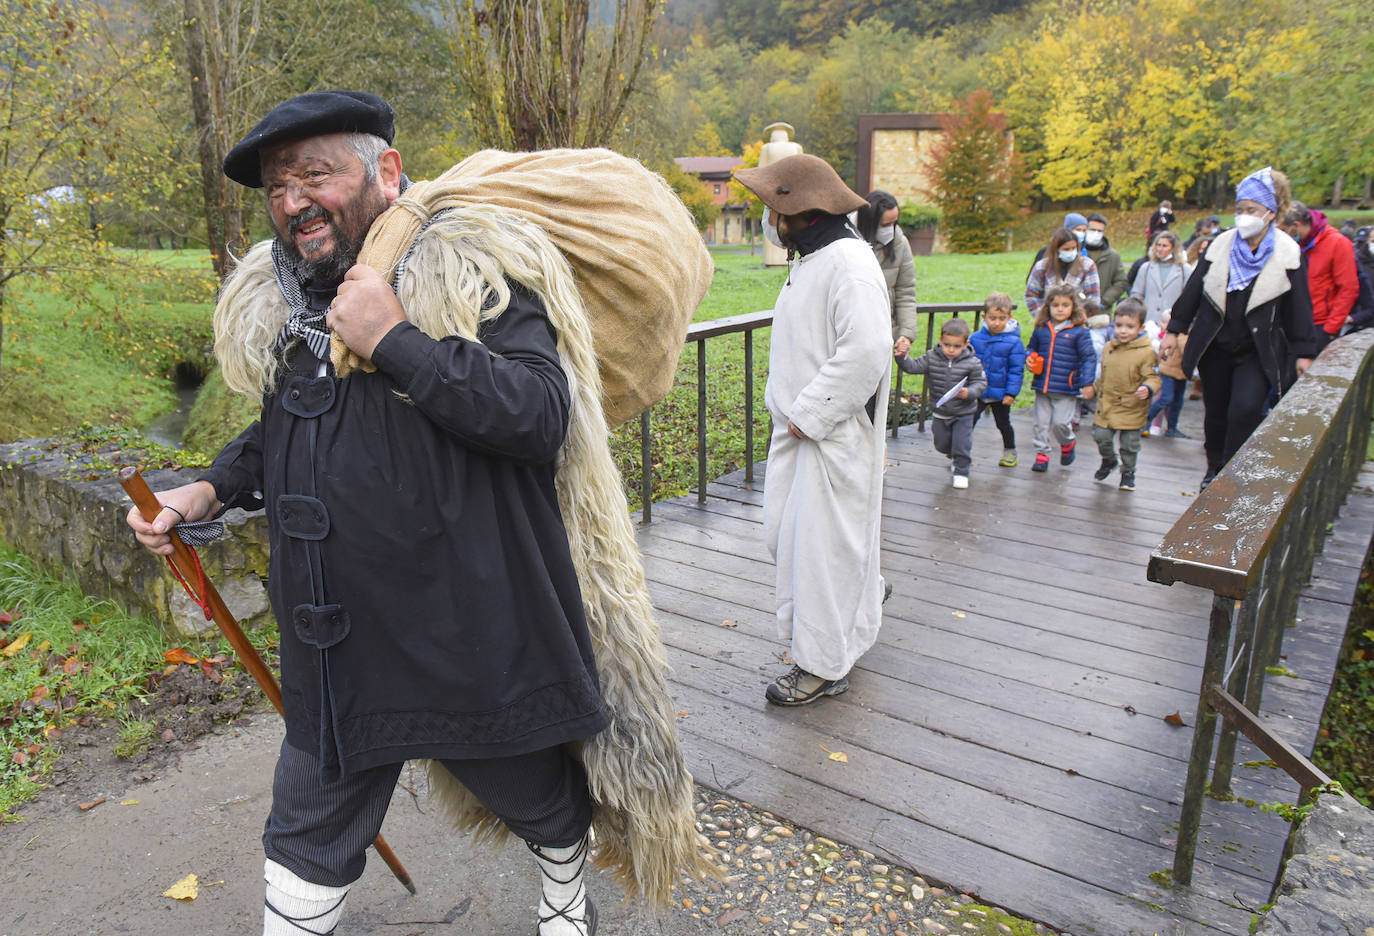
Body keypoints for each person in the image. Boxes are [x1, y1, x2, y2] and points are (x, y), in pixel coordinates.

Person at [125, 90, 705, 936]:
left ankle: (565, 898)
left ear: (386, 173)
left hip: (464, 629)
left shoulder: (474, 269)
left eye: (315, 175)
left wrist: (395, 338)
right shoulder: (296, 300)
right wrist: (210, 487)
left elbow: (540, 415)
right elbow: (291, 425)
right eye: (279, 188)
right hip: (335, 639)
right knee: (304, 832)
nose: (293, 202)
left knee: (534, 798)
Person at [732, 153, 891, 706]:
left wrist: (811, 414)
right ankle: (857, 612)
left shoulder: (849, 265)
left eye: (776, 211)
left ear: (804, 214)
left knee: (820, 556)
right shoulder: (818, 257)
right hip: (803, 433)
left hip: (829, 438)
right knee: (797, 542)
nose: (770, 221)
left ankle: (821, 665)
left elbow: (867, 350)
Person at [1161, 167, 1318, 490]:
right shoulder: (1221, 245)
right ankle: (1214, 465)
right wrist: (1174, 330)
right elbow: (1193, 291)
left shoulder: (1288, 253)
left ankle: (1230, 473)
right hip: (1216, 346)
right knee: (1216, 413)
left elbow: (1299, 306)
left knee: (1245, 410)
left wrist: (1304, 351)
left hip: (1257, 352)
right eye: (1240, 210)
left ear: (1270, 213)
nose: (1244, 216)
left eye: (1252, 210)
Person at [898, 317, 988, 488]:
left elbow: (981, 383)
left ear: (965, 343)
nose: (951, 350)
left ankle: (961, 471)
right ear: (941, 341)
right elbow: (913, 367)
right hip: (941, 412)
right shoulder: (932, 357)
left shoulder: (972, 362)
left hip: (964, 412)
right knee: (941, 444)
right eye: (948, 345)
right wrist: (902, 357)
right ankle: (953, 454)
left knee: (962, 443)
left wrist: (969, 392)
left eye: (957, 346)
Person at [1025, 282, 1096, 472]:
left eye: (1065, 305)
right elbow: (1031, 348)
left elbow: (1089, 357)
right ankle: (1041, 454)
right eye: (1055, 305)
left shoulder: (1079, 332)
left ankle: (1068, 443)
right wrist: (1029, 358)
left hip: (1066, 387)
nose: (1060, 309)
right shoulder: (1042, 329)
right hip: (1042, 385)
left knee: (1060, 424)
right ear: (1048, 307)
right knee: (1040, 423)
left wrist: (1087, 382)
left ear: (1073, 307)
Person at [1092, 298, 1161, 491]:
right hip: (1108, 403)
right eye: (1119, 325)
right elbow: (1103, 374)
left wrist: (1147, 388)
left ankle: (1128, 472)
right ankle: (1109, 460)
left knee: (1130, 444)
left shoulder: (1146, 352)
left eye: (1130, 326)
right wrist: (1095, 388)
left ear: (1140, 328)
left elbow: (1154, 377)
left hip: (1132, 405)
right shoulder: (1109, 348)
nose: (1123, 331)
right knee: (1100, 435)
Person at [1281, 201, 1358, 349]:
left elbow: (1348, 289)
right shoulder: (1295, 245)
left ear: (1296, 225)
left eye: (1284, 230)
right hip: (1293, 323)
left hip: (1320, 324)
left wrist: (1330, 330)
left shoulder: (1337, 243)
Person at [858, 190, 917, 358]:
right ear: (869, 222)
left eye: (894, 223)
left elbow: (906, 291)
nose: (890, 229)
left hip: (882, 331)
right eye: (884, 225)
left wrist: (906, 333)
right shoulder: (847, 243)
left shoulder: (900, 244)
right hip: (851, 328)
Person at [969, 293, 1026, 468]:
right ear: (985, 317)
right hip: (978, 390)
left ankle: (1010, 451)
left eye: (1002, 319)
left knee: (1003, 423)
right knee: (968, 420)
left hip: (1000, 393)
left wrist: (1011, 393)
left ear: (1009, 318)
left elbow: (1016, 370)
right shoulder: (976, 338)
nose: (997, 323)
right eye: (992, 318)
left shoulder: (1014, 342)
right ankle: (960, 450)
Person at [1025, 227, 1101, 317]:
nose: (1071, 252)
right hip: (1049, 321)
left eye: (1074, 248)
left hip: (1079, 321)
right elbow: (1031, 295)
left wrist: (1081, 317)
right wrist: (1042, 316)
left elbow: (1093, 297)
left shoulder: (1087, 265)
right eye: (1066, 249)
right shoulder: (1042, 267)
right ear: (1056, 249)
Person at [1130, 230, 1192, 326]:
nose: (1160, 249)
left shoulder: (1185, 270)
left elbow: (1188, 299)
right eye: (1158, 245)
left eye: (1164, 246)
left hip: (1171, 324)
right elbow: (1137, 295)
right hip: (1148, 322)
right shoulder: (1146, 268)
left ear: (1173, 248)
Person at [1146, 310, 1189, 438]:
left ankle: (1172, 428)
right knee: (1166, 398)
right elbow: (1184, 347)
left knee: (1177, 401)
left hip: (1181, 372)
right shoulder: (1180, 331)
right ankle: (1145, 420)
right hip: (1169, 371)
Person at [1084, 213, 1129, 308]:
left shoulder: (1112, 256)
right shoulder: (1076, 252)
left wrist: (1105, 301)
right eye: (1092, 230)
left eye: (1099, 231)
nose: (1096, 234)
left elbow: (1121, 281)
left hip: (1101, 311)